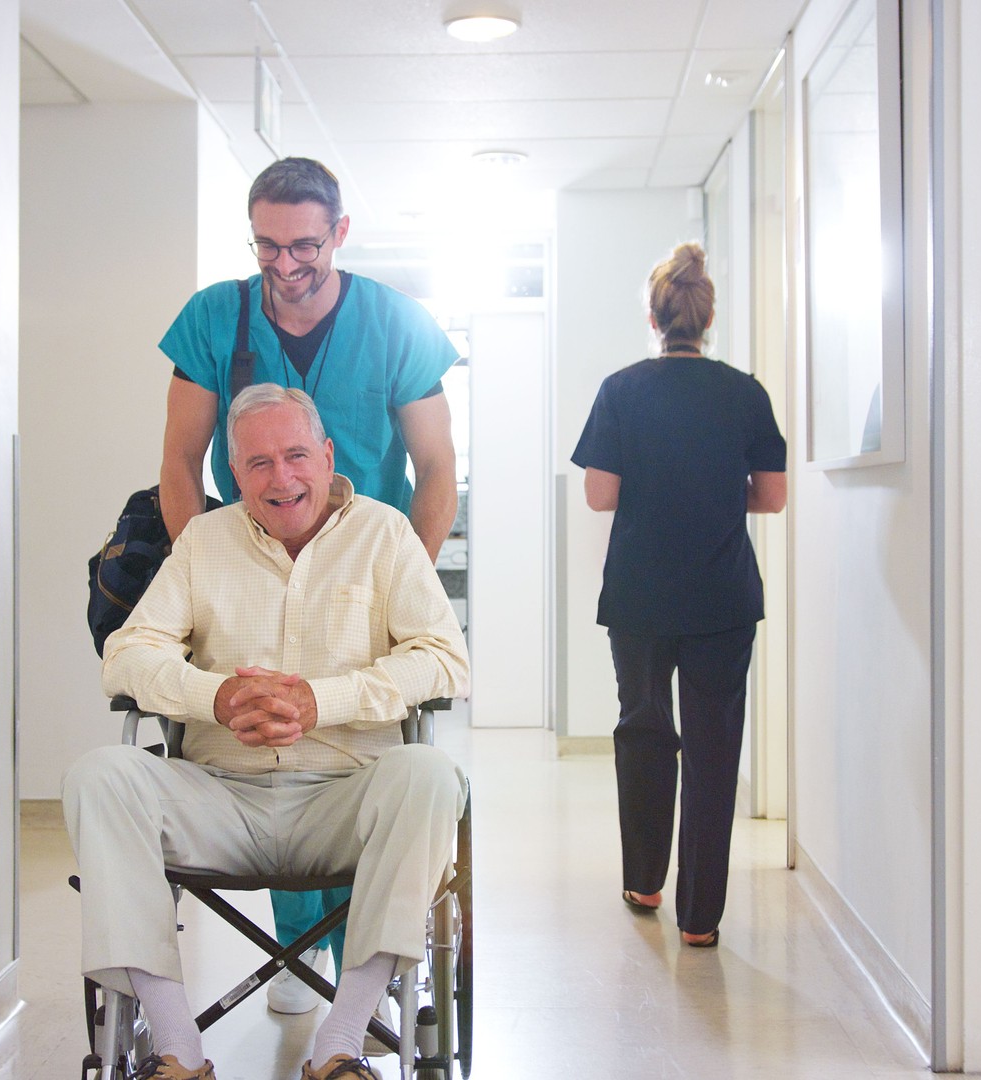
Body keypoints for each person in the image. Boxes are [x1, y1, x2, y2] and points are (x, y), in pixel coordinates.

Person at [66, 385, 470, 1080]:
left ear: (327, 455)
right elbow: (128, 655)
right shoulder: (202, 542)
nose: (281, 479)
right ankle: (176, 1053)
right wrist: (214, 697)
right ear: (233, 470)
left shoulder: (384, 534)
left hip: (347, 797)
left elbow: (444, 659)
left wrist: (323, 701)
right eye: (257, 463)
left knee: (432, 775)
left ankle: (340, 1048)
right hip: (219, 798)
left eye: (295, 455)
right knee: (99, 775)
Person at [156, 156, 459, 1011]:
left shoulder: (397, 323)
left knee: (358, 755)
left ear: (340, 234)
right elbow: (180, 460)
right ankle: (297, 948)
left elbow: (437, 468)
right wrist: (206, 570)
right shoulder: (216, 317)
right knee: (269, 730)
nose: (285, 266)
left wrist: (408, 582)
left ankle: (364, 955)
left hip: (369, 577)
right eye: (266, 248)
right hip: (251, 562)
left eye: (304, 246)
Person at [569, 242, 788, 949]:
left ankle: (645, 881)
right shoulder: (745, 392)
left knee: (645, 730)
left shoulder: (621, 389)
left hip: (639, 594)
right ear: (708, 315)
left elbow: (600, 495)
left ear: (654, 317)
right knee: (715, 748)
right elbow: (773, 497)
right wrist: (716, 492)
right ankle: (700, 918)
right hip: (723, 596)